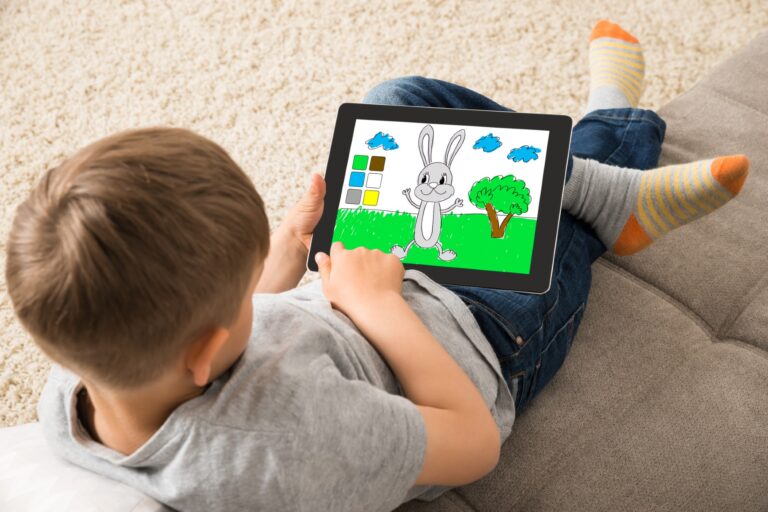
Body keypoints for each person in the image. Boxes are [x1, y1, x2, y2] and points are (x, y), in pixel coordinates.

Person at [5, 20, 748, 512]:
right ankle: (611, 145)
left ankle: (596, 161)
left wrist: (281, 261)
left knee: (398, 103)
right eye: (238, 295)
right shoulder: (285, 443)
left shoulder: (76, 389)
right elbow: (472, 443)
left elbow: (227, 341)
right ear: (201, 352)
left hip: (355, 286)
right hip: (479, 336)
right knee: (540, 223)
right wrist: (377, 307)